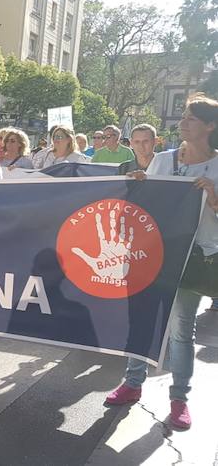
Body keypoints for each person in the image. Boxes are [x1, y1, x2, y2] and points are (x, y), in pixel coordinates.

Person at [105, 93, 218, 430]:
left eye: (191, 119)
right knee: (142, 321)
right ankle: (132, 383)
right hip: (154, 254)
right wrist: (139, 187)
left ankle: (179, 400)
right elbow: (146, 208)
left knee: (182, 330)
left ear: (210, 126)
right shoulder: (164, 160)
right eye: (183, 116)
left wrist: (213, 197)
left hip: (193, 259)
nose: (182, 122)